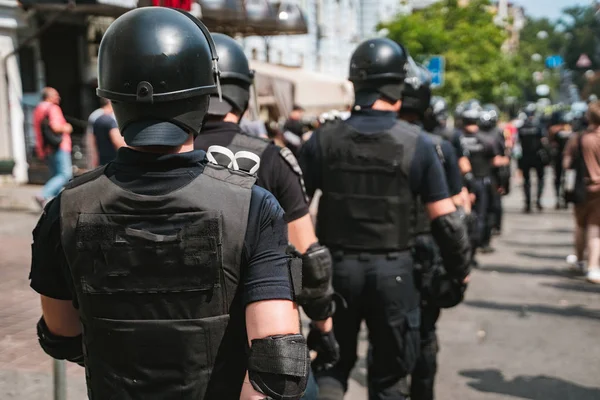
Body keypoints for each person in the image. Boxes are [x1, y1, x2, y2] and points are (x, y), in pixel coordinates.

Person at [29, 8, 309, 400]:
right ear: (202, 95)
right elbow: (277, 362)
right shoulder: (253, 206)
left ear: (113, 98)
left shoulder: (66, 207)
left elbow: (59, 334)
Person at [299, 38, 471, 400]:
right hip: (395, 274)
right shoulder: (419, 143)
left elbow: (294, 213)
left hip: (336, 272)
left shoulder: (321, 140)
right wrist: (459, 271)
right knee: (390, 379)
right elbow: (446, 220)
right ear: (398, 84)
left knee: (331, 367)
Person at [193, 33, 339, 397]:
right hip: (262, 340)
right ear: (243, 92)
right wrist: (324, 326)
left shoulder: (164, 160)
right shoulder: (270, 158)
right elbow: (310, 262)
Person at [398, 60, 469, 400]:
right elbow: (453, 210)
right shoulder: (437, 145)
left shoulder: (364, 138)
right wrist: (460, 267)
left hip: (376, 255)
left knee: (388, 341)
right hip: (425, 251)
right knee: (424, 334)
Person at [459, 100, 500, 258]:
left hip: (462, 184)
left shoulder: (457, 138)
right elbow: (496, 163)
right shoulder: (487, 140)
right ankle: (473, 252)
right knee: (480, 217)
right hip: (481, 182)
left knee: (463, 218)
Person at [566, 101, 600, 284]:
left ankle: (579, 260)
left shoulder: (578, 138)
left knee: (580, 225)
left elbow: (566, 164)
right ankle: (593, 267)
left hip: (581, 188)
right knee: (596, 229)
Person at [33, 87, 73, 208]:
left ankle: (54, 204)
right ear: (49, 96)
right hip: (60, 146)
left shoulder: (38, 109)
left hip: (46, 148)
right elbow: (55, 127)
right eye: (56, 95)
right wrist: (67, 127)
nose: (58, 98)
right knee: (65, 174)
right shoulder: (53, 108)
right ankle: (43, 195)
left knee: (56, 175)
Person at [479, 104, 510, 235]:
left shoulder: (498, 133)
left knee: (494, 203)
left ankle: (495, 226)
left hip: (493, 174)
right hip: (487, 173)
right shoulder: (479, 134)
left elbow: (503, 156)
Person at [518, 103, 547, 213]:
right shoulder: (539, 126)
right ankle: (538, 201)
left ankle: (528, 203)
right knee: (540, 179)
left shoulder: (521, 127)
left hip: (525, 156)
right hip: (537, 156)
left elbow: (518, 142)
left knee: (526, 180)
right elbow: (544, 141)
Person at [548, 110, 573, 209]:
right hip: (558, 157)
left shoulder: (568, 129)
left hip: (565, 157)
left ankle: (564, 199)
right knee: (559, 179)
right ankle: (559, 199)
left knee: (566, 180)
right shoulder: (554, 129)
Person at [90, 99, 125, 166]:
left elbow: (92, 141)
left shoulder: (96, 117)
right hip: (113, 161)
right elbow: (116, 141)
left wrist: (94, 159)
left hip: (102, 161)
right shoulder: (110, 121)